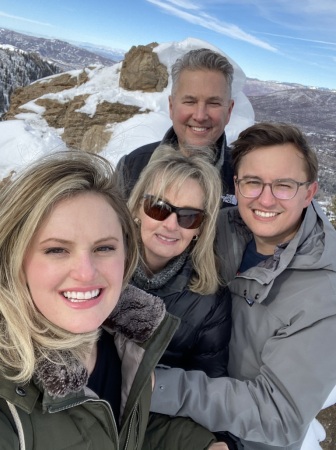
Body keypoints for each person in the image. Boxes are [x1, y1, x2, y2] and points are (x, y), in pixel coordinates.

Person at [150, 123, 336, 450]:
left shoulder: (324, 295)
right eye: (252, 182)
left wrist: (158, 386)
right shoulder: (220, 229)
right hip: (177, 419)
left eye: (283, 185)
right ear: (236, 185)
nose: (265, 198)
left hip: (245, 441)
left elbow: (279, 415)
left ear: (309, 193)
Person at [0, 150, 180, 450]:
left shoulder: (122, 340)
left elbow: (117, 432)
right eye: (57, 249)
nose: (86, 273)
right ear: (16, 261)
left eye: (104, 248)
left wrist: (199, 443)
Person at [128, 145, 235, 449]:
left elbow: (209, 383)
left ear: (200, 229)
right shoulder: (97, 263)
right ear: (138, 208)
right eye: (158, 208)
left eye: (189, 217)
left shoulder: (208, 301)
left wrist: (220, 441)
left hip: (151, 423)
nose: (171, 225)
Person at [117, 47, 236, 207]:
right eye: (190, 102)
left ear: (229, 111)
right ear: (172, 107)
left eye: (213, 103)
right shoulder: (132, 166)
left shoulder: (246, 177)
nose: (200, 116)